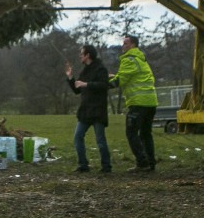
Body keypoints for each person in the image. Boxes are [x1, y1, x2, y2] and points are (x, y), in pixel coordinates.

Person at [111, 34, 158, 172]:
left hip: (138, 104)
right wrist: (115, 76)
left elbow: (120, 81)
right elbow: (129, 76)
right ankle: (150, 162)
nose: (122, 46)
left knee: (131, 133)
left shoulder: (129, 60)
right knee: (145, 134)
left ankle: (142, 162)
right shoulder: (141, 59)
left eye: (125, 43)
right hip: (151, 103)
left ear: (132, 45)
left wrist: (98, 84)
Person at [64, 44, 112, 173]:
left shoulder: (100, 69)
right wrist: (70, 77)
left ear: (88, 55)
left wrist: (86, 84)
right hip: (85, 111)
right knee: (78, 137)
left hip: (98, 111)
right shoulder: (84, 71)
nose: (80, 56)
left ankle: (106, 166)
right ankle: (83, 165)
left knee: (100, 140)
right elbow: (77, 90)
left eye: (81, 54)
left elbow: (103, 85)